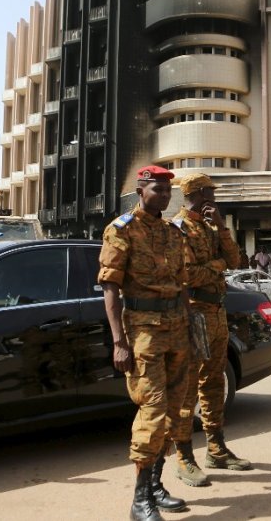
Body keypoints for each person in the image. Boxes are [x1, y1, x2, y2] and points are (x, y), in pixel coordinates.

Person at [98, 165, 190, 521]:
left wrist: (188, 326)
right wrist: (119, 342)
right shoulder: (122, 230)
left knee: (174, 410)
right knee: (152, 410)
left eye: (168, 191)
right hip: (143, 330)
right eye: (157, 190)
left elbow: (181, 284)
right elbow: (110, 286)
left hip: (176, 328)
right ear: (141, 190)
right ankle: (139, 500)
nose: (164, 196)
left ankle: (155, 485)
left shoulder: (172, 232)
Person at [170, 173, 249, 488]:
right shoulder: (179, 228)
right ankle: (184, 457)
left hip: (216, 310)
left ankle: (216, 449)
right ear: (200, 193)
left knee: (214, 381)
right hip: (194, 313)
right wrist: (217, 266)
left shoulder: (208, 225)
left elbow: (234, 260)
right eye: (210, 193)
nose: (214, 198)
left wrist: (221, 227)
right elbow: (188, 275)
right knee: (189, 386)